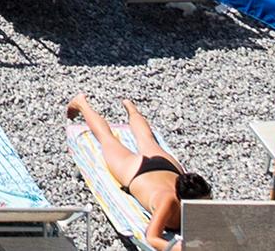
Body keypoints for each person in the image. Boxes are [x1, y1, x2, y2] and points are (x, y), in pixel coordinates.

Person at [66, 95, 209, 251]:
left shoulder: (200, 201)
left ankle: (131, 108)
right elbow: (152, 237)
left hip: (169, 168)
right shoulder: (168, 202)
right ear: (182, 201)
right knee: (107, 139)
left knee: (146, 138)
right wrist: (177, 248)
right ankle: (82, 104)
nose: (205, 207)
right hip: (138, 171)